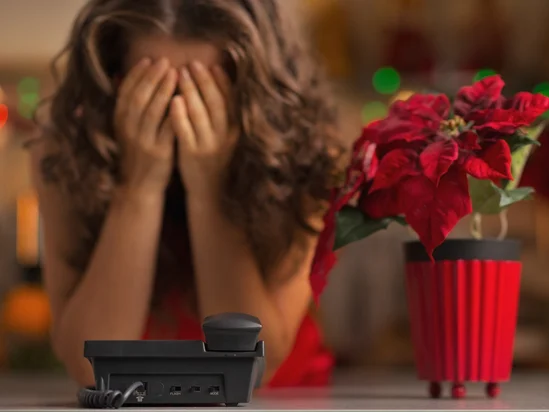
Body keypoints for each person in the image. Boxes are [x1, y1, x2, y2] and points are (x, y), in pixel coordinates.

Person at [27, 0, 345, 388]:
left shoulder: (305, 154)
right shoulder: (65, 154)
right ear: (112, 81)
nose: (182, 116)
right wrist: (138, 187)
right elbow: (91, 368)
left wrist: (209, 192)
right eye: (155, 94)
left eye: (202, 93)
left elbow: (252, 363)